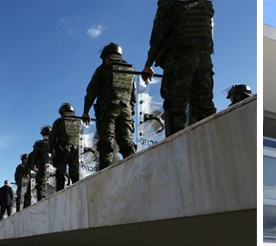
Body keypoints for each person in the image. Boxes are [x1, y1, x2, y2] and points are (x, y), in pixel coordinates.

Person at [141, 0, 216, 136]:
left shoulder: (169, 3)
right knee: (204, 105)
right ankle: (212, 138)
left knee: (175, 103)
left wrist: (148, 64)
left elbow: (158, 34)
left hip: (179, 57)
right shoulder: (205, 3)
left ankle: (176, 144)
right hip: (204, 58)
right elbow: (209, 30)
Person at [83, 43, 138, 171]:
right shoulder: (130, 69)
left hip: (107, 110)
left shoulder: (103, 69)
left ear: (106, 57)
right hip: (126, 110)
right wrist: (131, 111)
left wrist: (86, 111)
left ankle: (105, 175)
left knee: (107, 144)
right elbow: (133, 95)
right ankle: (134, 170)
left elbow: (91, 91)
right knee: (127, 144)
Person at [28, 126, 52, 202]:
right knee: (42, 183)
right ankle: (41, 200)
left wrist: (33, 165)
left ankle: (41, 200)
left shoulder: (40, 143)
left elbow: (34, 155)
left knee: (42, 183)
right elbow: (34, 155)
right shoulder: (40, 143)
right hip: (46, 166)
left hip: (46, 166)